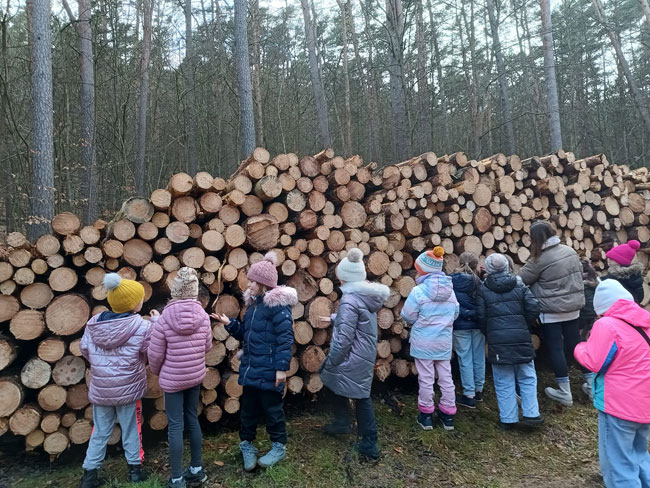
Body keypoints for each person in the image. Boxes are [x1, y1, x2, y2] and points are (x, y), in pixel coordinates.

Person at [212, 252, 296, 471]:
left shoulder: (277, 307)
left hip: (268, 370)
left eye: (251, 281)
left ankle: (278, 446)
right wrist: (230, 324)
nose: (248, 284)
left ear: (263, 284)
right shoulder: (253, 306)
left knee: (272, 411)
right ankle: (246, 445)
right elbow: (247, 335)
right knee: (247, 411)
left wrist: (281, 369)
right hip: (251, 368)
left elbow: (285, 339)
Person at [574, 279, 650, 487]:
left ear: (602, 308)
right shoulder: (645, 321)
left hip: (619, 406)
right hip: (645, 406)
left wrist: (580, 346)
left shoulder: (607, 324)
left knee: (618, 465)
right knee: (639, 454)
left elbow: (593, 361)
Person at [79, 273, 151, 488]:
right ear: (133, 304)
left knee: (100, 430)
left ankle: (89, 475)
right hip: (128, 389)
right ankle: (135, 471)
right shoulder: (142, 326)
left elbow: (84, 348)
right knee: (130, 427)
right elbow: (150, 349)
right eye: (140, 299)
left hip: (102, 388)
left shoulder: (94, 323)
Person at [319, 248, 389, 460]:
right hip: (363, 353)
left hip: (352, 354)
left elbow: (344, 338)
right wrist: (334, 318)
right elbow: (358, 321)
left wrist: (333, 359)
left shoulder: (349, 300)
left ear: (345, 278)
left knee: (360, 396)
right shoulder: (363, 296)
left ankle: (370, 443)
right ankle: (342, 422)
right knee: (336, 382)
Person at [147, 267, 212, 488]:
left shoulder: (165, 319)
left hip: (173, 381)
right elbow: (208, 346)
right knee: (192, 419)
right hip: (194, 377)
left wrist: (159, 372)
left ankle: (176, 479)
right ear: (194, 292)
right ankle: (197, 469)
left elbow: (155, 355)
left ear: (175, 291)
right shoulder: (203, 316)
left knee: (175, 426)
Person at [519, 220, 591, 407]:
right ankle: (593, 386)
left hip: (551, 311)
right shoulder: (570, 251)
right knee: (576, 345)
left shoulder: (539, 259)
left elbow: (522, 279)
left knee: (556, 348)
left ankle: (564, 392)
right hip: (573, 308)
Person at [477, 254, 543, 429]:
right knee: (527, 375)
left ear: (489, 269)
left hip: (498, 339)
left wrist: (490, 331)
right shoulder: (519, 285)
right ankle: (532, 414)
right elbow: (534, 307)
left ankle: (508, 419)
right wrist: (524, 324)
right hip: (520, 336)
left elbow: (481, 316)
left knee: (503, 378)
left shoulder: (483, 289)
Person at [401, 247, 459, 431]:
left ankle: (426, 415)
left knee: (426, 378)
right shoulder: (450, 291)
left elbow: (408, 314)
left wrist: (421, 321)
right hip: (443, 341)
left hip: (424, 341)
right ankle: (448, 415)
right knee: (446, 377)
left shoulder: (418, 291)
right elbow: (456, 312)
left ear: (422, 269)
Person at [450, 252, 485, 408]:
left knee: (465, 358)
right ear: (476, 265)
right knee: (479, 357)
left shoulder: (451, 282)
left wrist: (464, 315)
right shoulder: (480, 283)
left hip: (460, 325)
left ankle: (468, 393)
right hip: (478, 325)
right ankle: (479, 390)